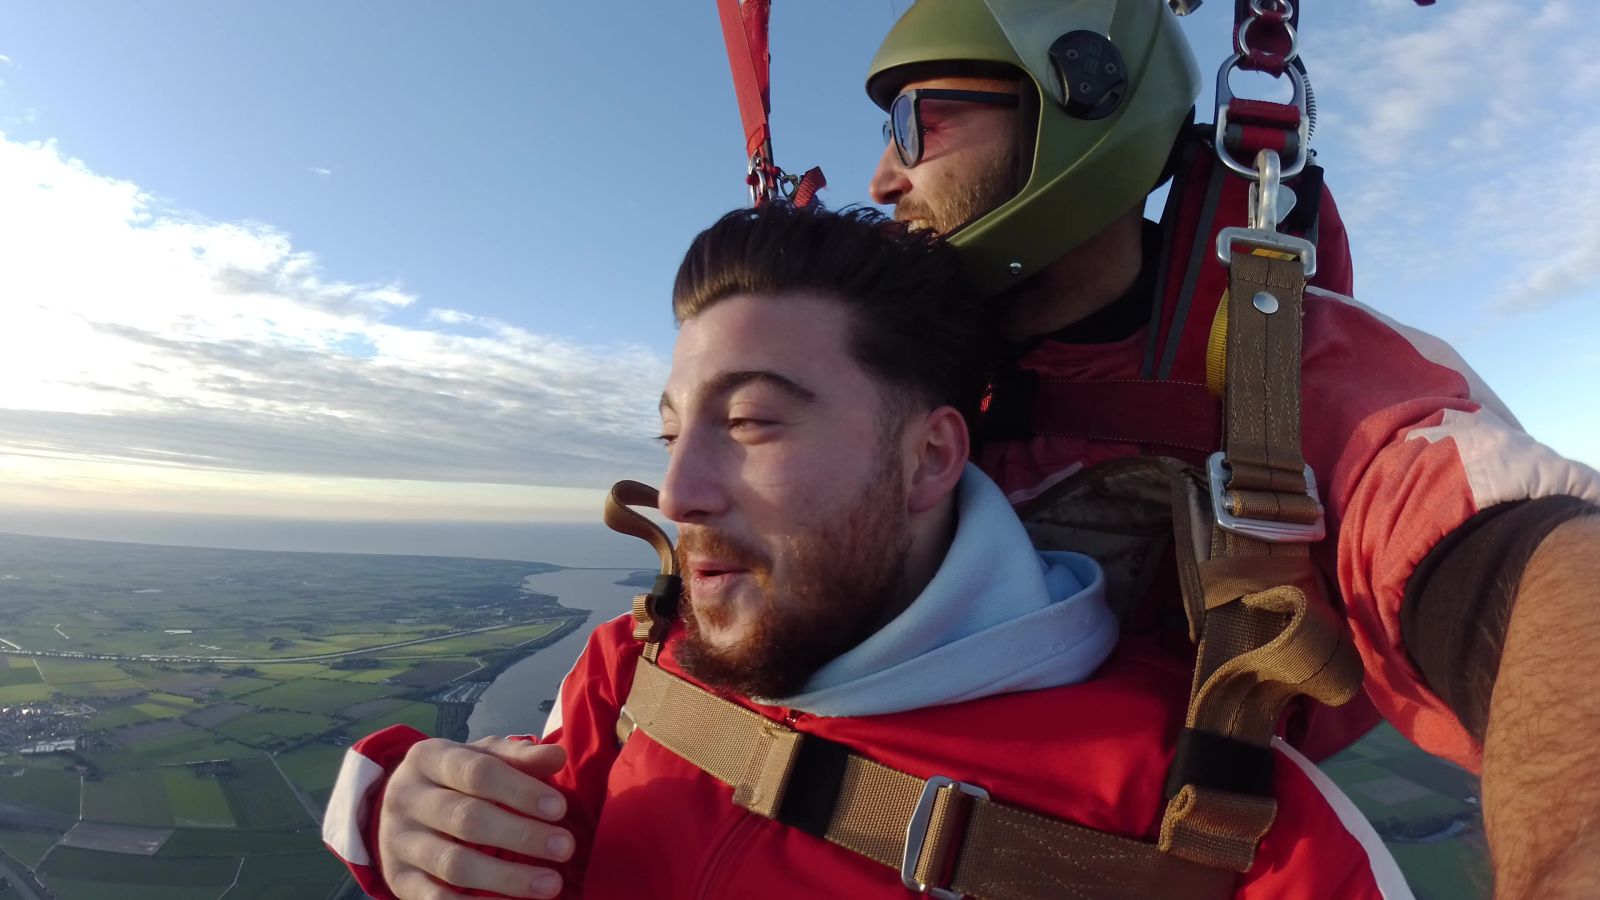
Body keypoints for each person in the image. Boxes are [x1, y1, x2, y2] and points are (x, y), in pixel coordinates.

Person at [338, 2, 1600, 896]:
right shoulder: (660, 646)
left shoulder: (1291, 375)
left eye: (921, 121)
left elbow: (1523, 573)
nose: (884, 177)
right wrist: (403, 812)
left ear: (1079, 99)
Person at [324, 204, 1409, 899]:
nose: (681, 492)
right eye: (671, 436)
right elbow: (499, 844)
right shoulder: (634, 667)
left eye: (751, 423)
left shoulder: (1218, 831)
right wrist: (398, 815)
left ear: (928, 457)